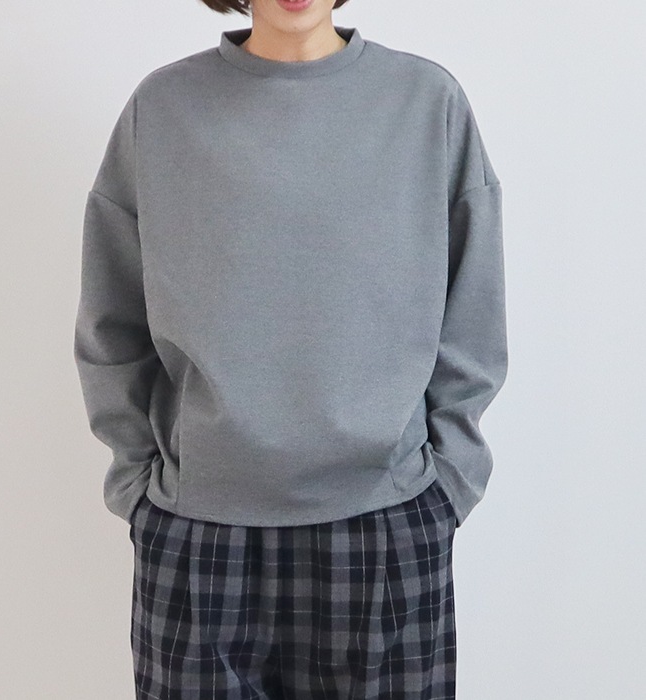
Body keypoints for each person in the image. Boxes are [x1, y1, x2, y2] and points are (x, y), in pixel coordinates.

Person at [73, 0, 508, 697]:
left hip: (386, 523)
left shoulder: (427, 103)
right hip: (198, 530)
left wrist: (448, 485)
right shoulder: (162, 110)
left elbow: (473, 312)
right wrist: (138, 487)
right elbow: (112, 317)